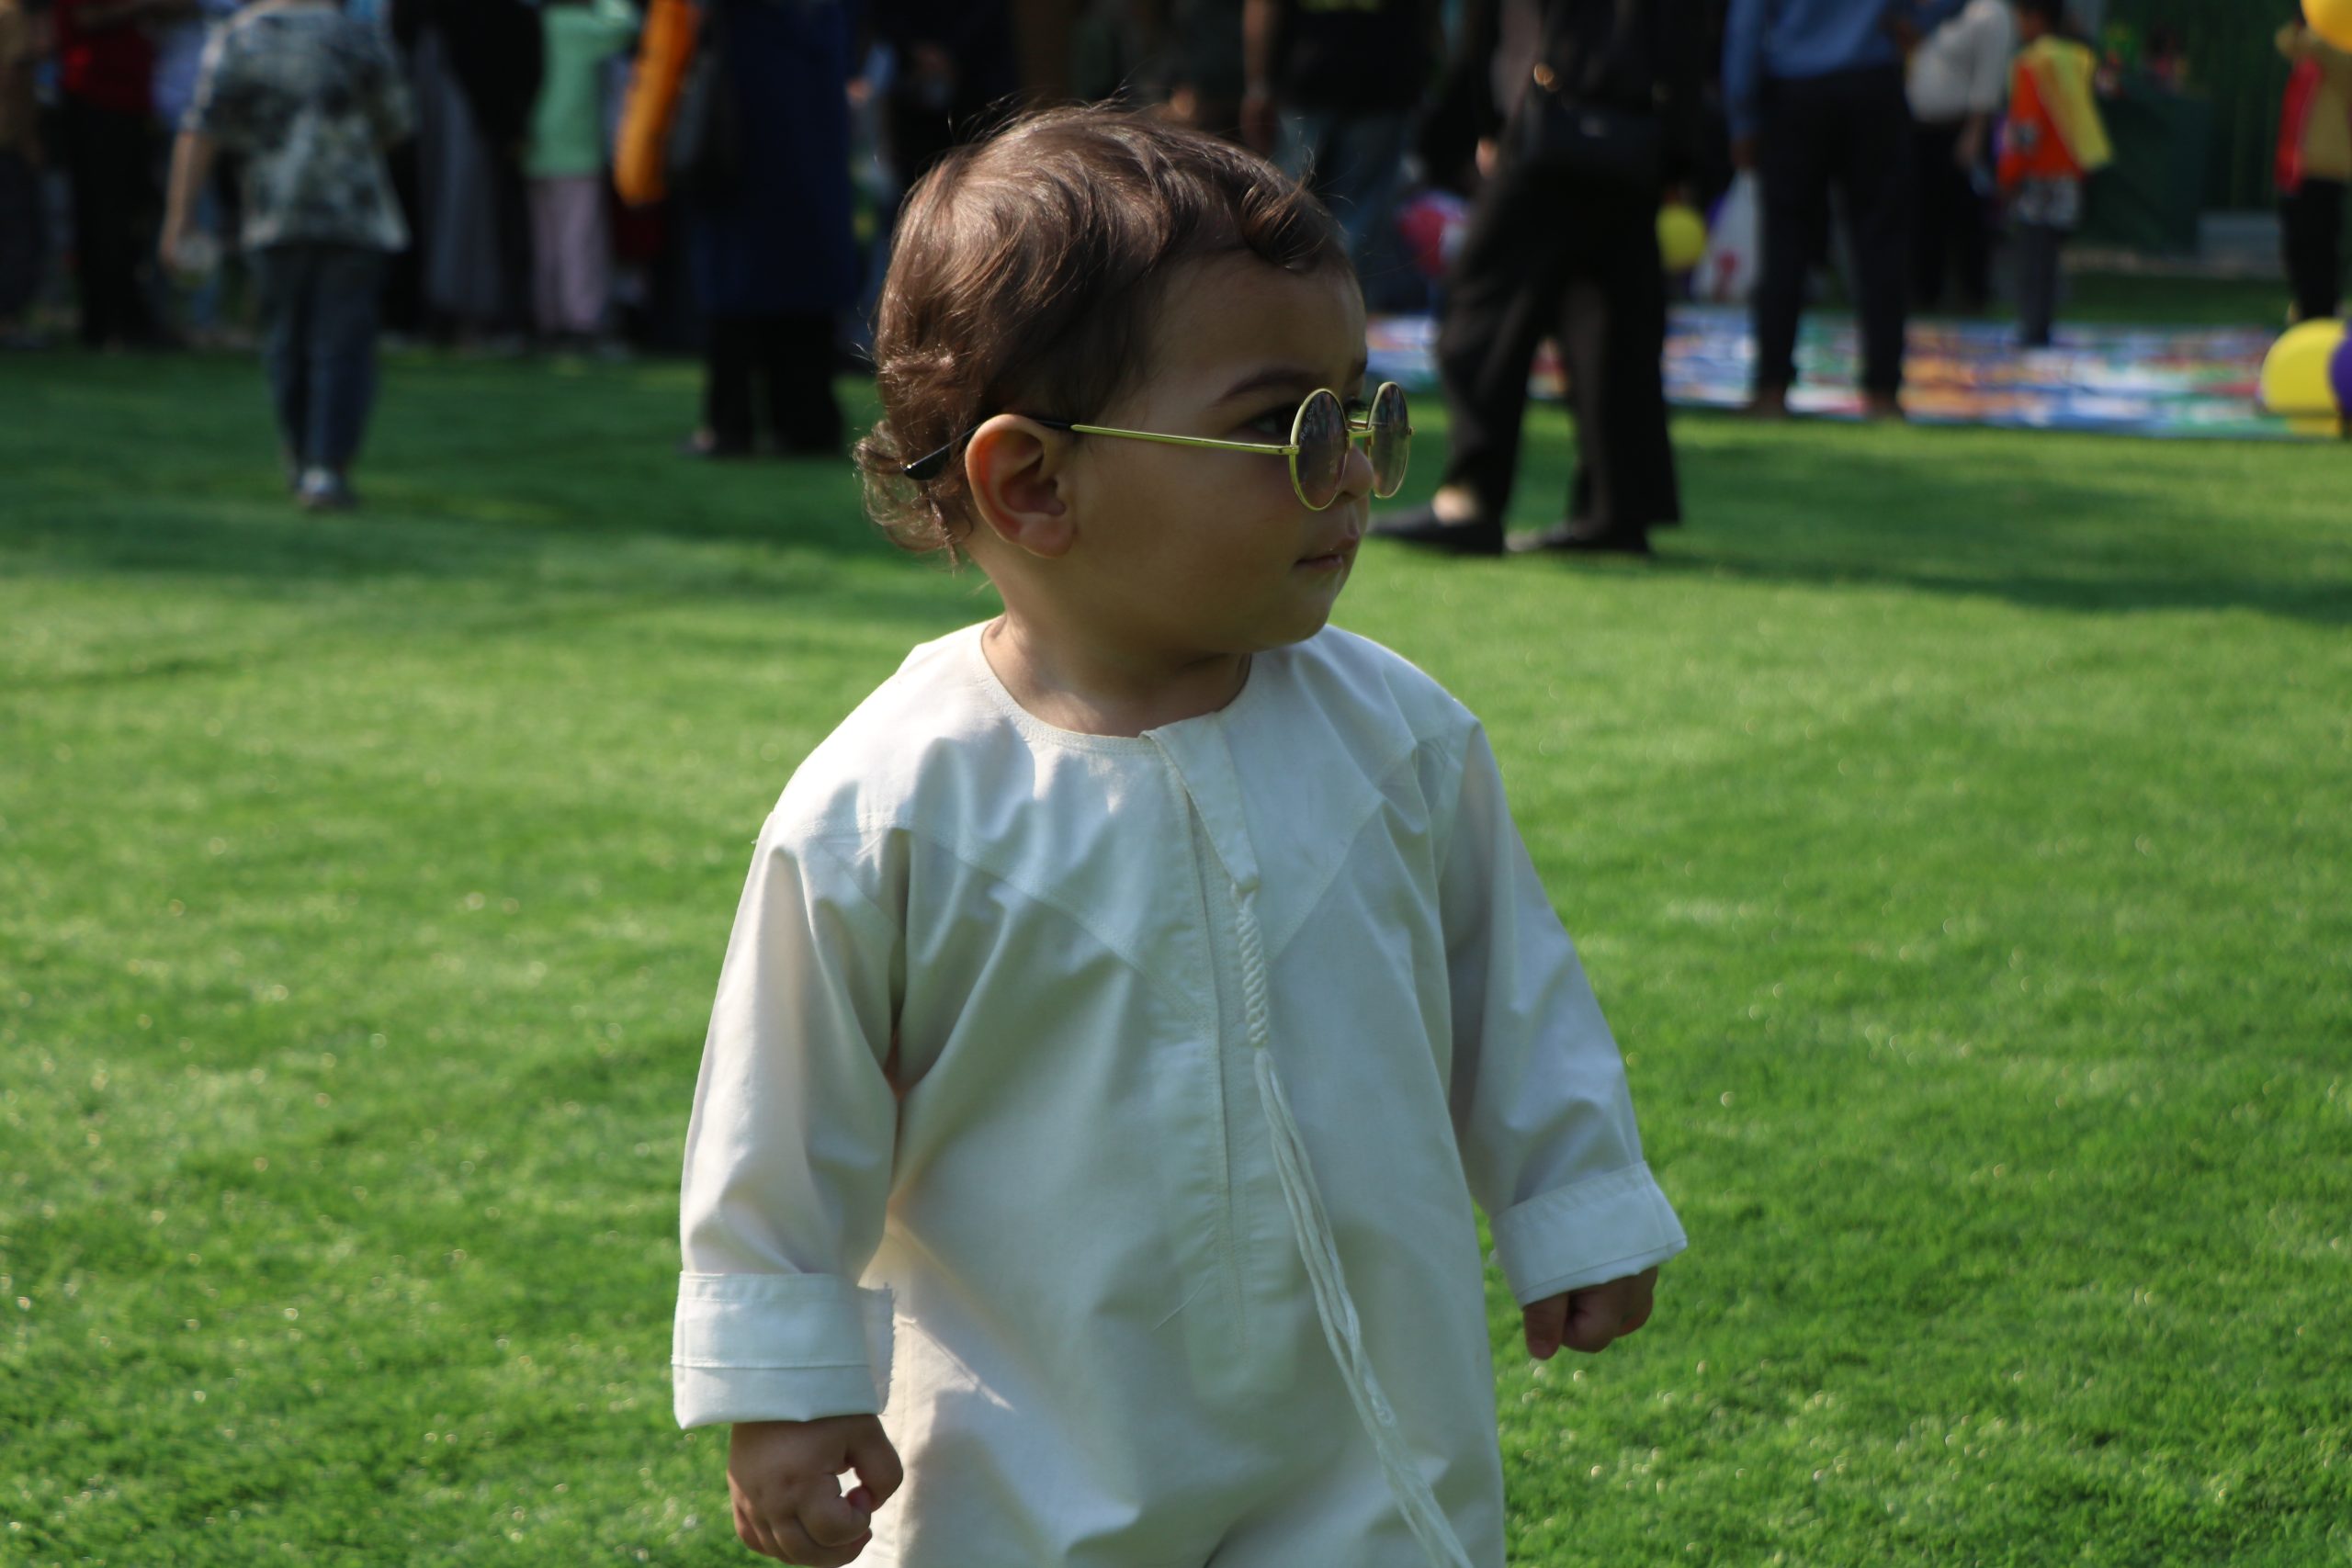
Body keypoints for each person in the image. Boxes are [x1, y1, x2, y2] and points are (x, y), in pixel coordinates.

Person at [674, 106, 1687, 1568]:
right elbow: (782, 1120)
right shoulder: (890, 803)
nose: (1352, 470)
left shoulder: (1399, 736)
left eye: (1359, 412)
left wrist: (1574, 1198)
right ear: (1036, 483)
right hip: (1027, 1453)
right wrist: (783, 1383)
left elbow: (1508, 987)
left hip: (1365, 1436)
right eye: (1286, 428)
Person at [1371, 0, 1701, 558]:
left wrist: (1492, 124)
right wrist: (1683, 152)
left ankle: (1471, 498)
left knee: (1481, 314)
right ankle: (1617, 509)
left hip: (1551, 130)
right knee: (1611, 324)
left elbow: (1500, 29)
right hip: (1634, 136)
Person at [161, 0, 413, 510]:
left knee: (286, 341)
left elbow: (201, 128)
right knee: (342, 342)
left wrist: (179, 217)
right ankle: (328, 468)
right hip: (354, 211)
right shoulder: (360, 37)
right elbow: (396, 125)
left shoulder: (239, 37)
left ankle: (300, 457)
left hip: (275, 210)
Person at [1724, 0, 1965, 418]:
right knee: (1881, 245)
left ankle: (1771, 387)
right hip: (1871, 83)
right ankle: (1883, 390)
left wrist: (1742, 116)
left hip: (1795, 90)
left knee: (1785, 243)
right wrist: (1918, 21)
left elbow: (1745, 26)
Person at [672, 0, 859, 459]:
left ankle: (734, 423)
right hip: (805, 131)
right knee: (801, 268)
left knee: (738, 272)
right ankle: (805, 421)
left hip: (747, 130)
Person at [1239, 0, 1438, 286]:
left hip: (1311, 74)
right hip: (1383, 77)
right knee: (1357, 216)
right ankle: (1343, 301)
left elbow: (1264, 7)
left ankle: (1280, 296)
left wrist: (1258, 85)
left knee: (1288, 207)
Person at [54, 0, 186, 348]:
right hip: (96, 97)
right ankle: (108, 322)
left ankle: (126, 318)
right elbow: (85, 17)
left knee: (129, 216)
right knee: (105, 217)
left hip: (129, 100)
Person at [524, 0, 639, 348]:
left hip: (535, 146)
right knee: (580, 240)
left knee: (547, 243)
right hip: (575, 148)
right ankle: (582, 320)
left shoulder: (538, 23)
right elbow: (625, 24)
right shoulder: (578, 26)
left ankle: (550, 317)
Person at [1995, 0, 2106, 350]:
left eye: (2020, 18)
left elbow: (2027, 128)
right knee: (2049, 255)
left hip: (2036, 174)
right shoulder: (2077, 59)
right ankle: (2041, 326)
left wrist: (2008, 173)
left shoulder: (2031, 63)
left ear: (2036, 19)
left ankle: (2031, 328)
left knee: (2031, 255)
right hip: (2068, 173)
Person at [1905, 0, 2009, 312]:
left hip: (1962, 128)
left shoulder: (1987, 12)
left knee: (1967, 218)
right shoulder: (1923, 11)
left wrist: (1976, 131)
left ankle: (1973, 293)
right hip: (1921, 129)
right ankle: (1925, 291)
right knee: (1923, 217)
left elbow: (1989, 78)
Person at [2275, 8, 2352, 324]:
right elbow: (2285, 41)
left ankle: (2322, 310)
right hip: (2297, 165)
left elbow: (2320, 49)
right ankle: (2307, 305)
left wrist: (2320, 29)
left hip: (2327, 166)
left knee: (2321, 243)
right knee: (2297, 241)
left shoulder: (2340, 55)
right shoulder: (2310, 54)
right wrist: (2305, 21)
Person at [0, 0, 45, 343]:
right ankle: (7, 321)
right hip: (6, 140)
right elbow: (13, 78)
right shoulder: (9, 12)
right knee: (14, 234)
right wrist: (28, 137)